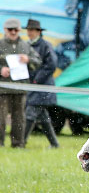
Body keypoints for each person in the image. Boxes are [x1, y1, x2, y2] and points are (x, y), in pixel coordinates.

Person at [0, 18, 40, 148]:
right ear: (5, 30)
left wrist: (28, 59)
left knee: (19, 119)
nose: (13, 32)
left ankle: (18, 144)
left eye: (15, 29)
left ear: (19, 30)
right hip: (3, 89)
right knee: (0, 118)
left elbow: (38, 61)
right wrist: (1, 70)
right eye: (10, 29)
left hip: (20, 88)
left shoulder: (25, 46)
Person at [23, 19, 58, 148]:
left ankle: (21, 141)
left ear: (38, 31)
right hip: (33, 85)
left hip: (42, 86)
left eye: (32, 30)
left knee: (30, 112)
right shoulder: (27, 45)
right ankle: (54, 144)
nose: (29, 32)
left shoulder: (45, 45)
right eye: (28, 30)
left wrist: (37, 79)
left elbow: (52, 65)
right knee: (43, 117)